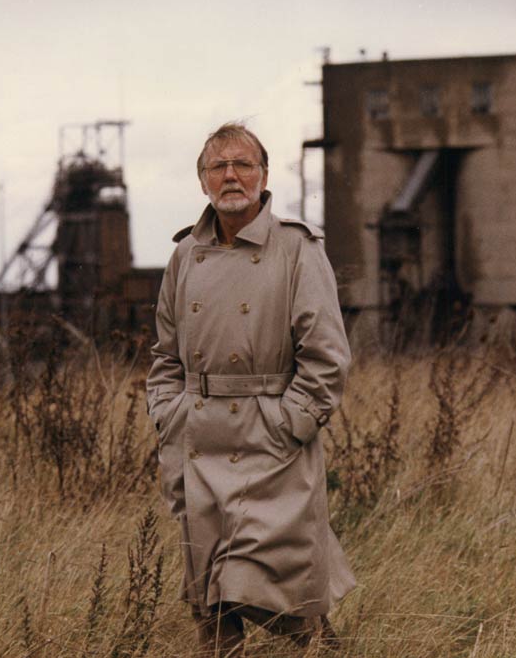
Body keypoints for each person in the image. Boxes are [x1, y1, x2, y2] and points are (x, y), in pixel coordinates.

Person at [146, 122, 354, 655]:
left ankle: (321, 647)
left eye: (243, 165)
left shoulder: (296, 249)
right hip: (199, 443)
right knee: (213, 599)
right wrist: (169, 413)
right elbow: (165, 356)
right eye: (219, 166)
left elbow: (327, 356)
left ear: (264, 178)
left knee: (283, 585)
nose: (231, 176)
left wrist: (290, 424)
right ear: (202, 181)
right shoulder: (184, 256)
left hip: (272, 446)